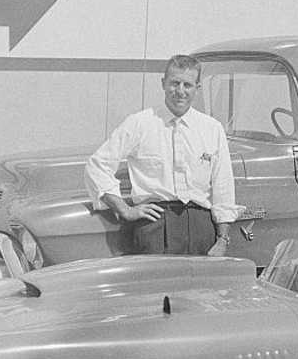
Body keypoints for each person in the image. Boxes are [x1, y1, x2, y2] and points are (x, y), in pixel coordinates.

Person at [85, 54, 237, 256]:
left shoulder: (212, 129)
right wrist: (125, 209)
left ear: (197, 88)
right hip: (154, 227)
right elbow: (97, 165)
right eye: (174, 83)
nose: (180, 91)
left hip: (201, 228)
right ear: (163, 83)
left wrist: (222, 240)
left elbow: (223, 188)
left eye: (187, 85)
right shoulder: (140, 123)